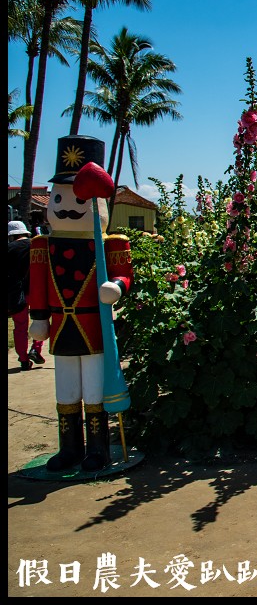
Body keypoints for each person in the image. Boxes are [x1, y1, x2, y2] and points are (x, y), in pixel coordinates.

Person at [29, 135, 134, 472]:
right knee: (67, 389)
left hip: (92, 327)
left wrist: (116, 286)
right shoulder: (43, 246)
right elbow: (39, 287)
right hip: (61, 327)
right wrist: (39, 317)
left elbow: (125, 276)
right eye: (58, 196)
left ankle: (98, 448)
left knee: (94, 388)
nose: (66, 205)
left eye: (78, 197)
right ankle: (69, 447)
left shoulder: (111, 244)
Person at [8, 220, 46, 370]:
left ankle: (23, 360)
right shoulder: (35, 245)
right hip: (36, 290)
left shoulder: (9, 249)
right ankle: (36, 349)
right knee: (40, 320)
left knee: (20, 327)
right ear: (25, 232)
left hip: (16, 294)